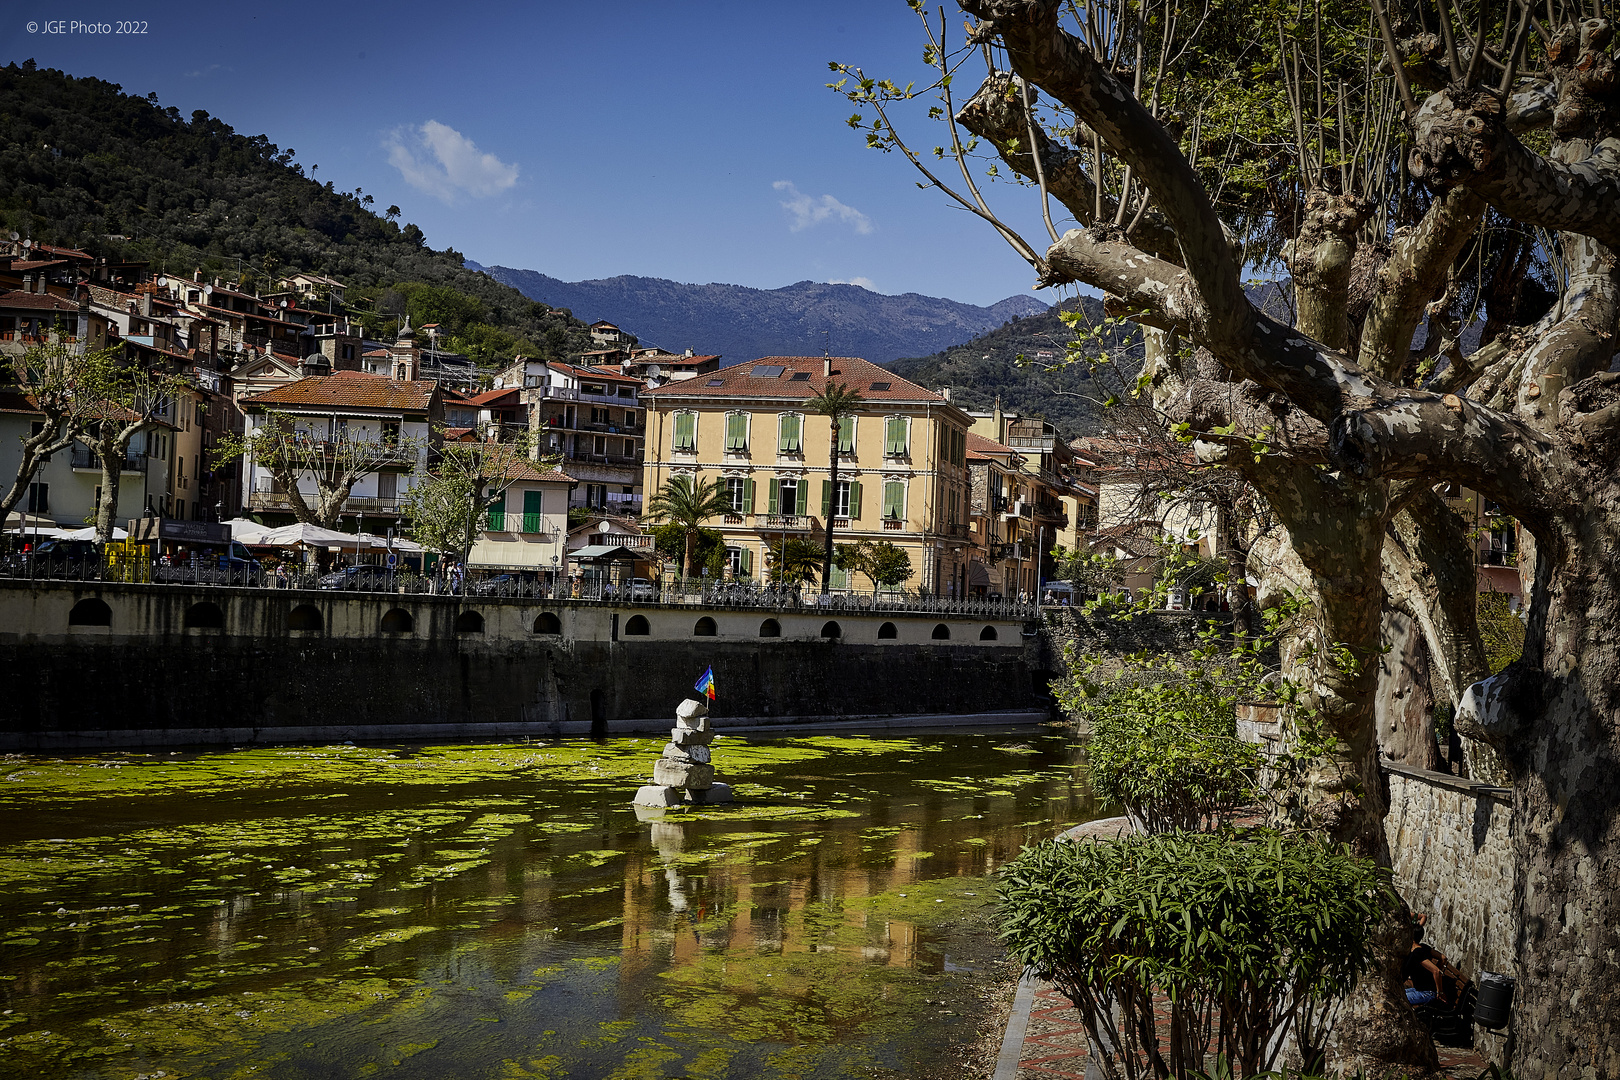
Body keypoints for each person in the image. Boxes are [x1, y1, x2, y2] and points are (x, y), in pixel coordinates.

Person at [1403, 923, 1452, 1008]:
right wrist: (1431, 976)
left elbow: (1436, 971)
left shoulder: (1417, 953)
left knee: (1398, 999)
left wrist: (1439, 992)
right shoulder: (1424, 947)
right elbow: (1443, 958)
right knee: (1396, 993)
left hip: (1427, 993)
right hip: (1420, 989)